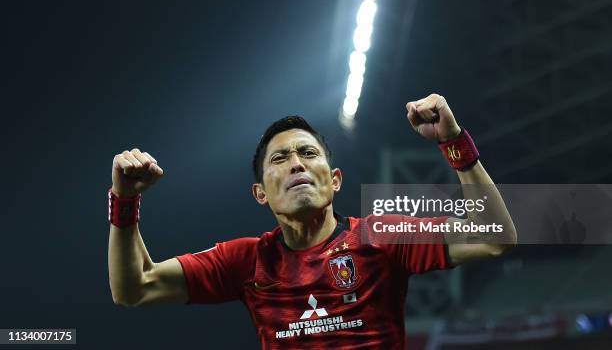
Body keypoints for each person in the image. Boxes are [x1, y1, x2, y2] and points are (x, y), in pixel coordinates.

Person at [108, 93, 517, 349]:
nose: (297, 164)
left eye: (308, 154)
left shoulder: (382, 235)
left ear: (335, 180)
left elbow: (496, 236)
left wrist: (452, 141)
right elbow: (134, 289)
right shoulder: (246, 261)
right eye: (280, 159)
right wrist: (125, 201)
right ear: (261, 193)